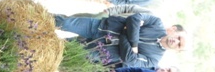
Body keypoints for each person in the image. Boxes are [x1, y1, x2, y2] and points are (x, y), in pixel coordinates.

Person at [54, 12, 186, 68]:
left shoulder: (154, 59)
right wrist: (134, 45)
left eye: (179, 45)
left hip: (100, 51)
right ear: (176, 33)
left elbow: (129, 59)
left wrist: (125, 32)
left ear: (177, 51)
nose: (176, 41)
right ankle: (40, 18)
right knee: (65, 23)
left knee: (63, 50)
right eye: (179, 38)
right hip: (102, 27)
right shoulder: (157, 23)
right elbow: (135, 18)